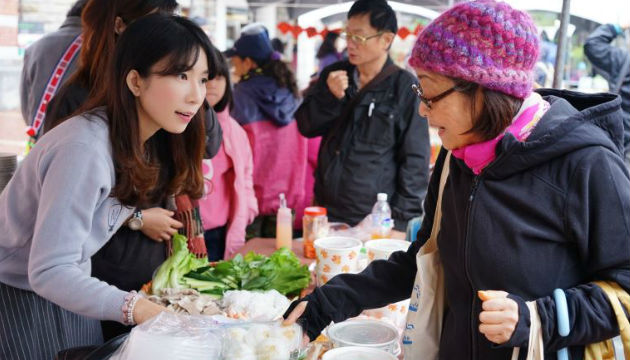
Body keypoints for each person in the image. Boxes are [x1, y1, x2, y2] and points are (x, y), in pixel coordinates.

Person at [284, 1, 630, 359]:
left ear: (482, 90)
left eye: (429, 91)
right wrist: (329, 302)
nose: (421, 109)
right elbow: (425, 259)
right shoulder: (457, 158)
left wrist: (539, 317)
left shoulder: (585, 163)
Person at [0, 14, 214, 359]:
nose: (196, 96)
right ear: (135, 81)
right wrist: (141, 309)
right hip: (19, 296)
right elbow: (49, 270)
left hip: (74, 290)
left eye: (202, 79)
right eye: (181, 75)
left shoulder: (139, 141)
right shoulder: (83, 148)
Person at [295, 0, 431, 236]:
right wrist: (329, 97)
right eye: (347, 35)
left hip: (374, 217)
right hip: (326, 208)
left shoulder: (406, 87)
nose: (349, 44)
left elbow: (415, 159)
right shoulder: (333, 74)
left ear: (386, 40)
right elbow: (306, 125)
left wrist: (400, 222)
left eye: (358, 37)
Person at [225, 24, 318, 237]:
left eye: (236, 61)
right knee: (281, 260)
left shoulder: (241, 94)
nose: (233, 67)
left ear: (248, 62)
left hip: (253, 197)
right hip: (289, 196)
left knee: (249, 262)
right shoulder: (291, 90)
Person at [200, 46, 258, 260]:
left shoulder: (235, 131)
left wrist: (248, 210)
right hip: (182, 232)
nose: (213, 85)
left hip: (220, 232)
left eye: (220, 77)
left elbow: (246, 176)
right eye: (206, 78)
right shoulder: (175, 126)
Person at [19, 0, 87, 136]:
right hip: (74, 141)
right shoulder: (94, 49)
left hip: (38, 142)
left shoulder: (35, 47)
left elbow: (26, 107)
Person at [584, 23, 630, 169]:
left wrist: (619, 27)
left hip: (618, 147)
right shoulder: (623, 61)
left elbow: (592, 44)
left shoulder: (623, 60)